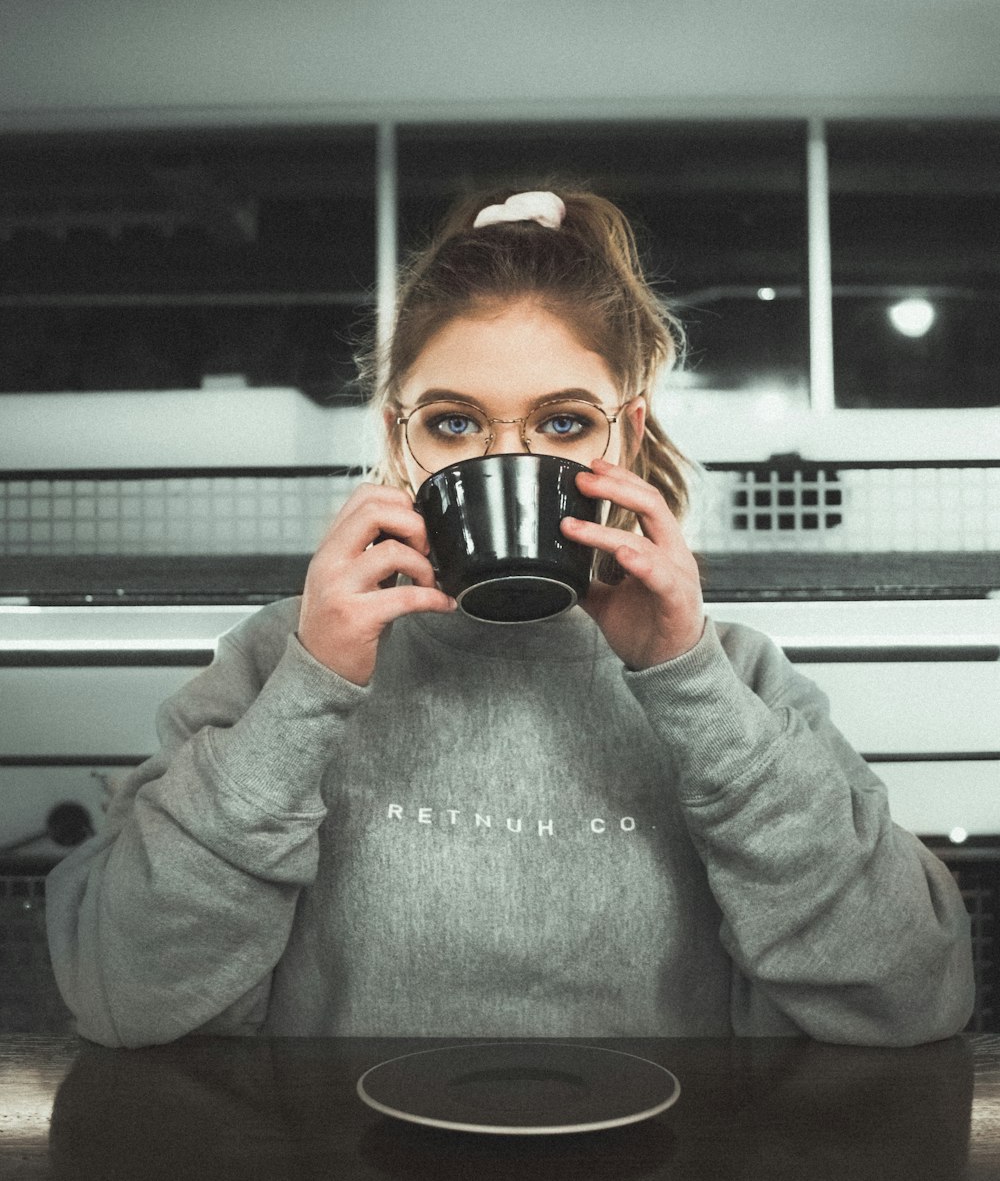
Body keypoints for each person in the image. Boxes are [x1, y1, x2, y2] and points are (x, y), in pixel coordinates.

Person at [46, 187, 974, 1049]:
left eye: (564, 422)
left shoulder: (734, 674)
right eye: (453, 423)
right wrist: (310, 686)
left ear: (629, 433)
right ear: (395, 436)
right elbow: (122, 992)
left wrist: (689, 680)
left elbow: (911, 993)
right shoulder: (277, 658)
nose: (508, 461)